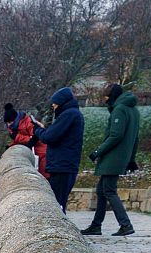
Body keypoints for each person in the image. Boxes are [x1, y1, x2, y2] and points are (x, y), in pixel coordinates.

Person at [80, 83, 141, 237]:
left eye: (106, 97)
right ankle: (96, 225)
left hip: (113, 157)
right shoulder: (133, 110)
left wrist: (97, 152)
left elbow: (115, 135)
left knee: (108, 190)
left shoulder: (120, 109)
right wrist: (131, 158)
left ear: (111, 96)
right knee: (102, 190)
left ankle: (125, 224)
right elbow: (135, 138)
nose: (105, 100)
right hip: (122, 156)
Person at [34, 87, 84, 209]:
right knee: (59, 203)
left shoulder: (69, 115)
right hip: (65, 165)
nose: (54, 107)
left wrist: (38, 130)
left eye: (55, 104)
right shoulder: (73, 114)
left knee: (57, 205)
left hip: (62, 166)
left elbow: (50, 137)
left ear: (62, 103)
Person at [4, 103, 49, 177]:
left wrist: (17, 137)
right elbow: (21, 141)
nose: (9, 125)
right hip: (33, 152)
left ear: (14, 119)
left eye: (9, 122)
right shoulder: (13, 128)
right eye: (7, 123)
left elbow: (34, 139)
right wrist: (11, 146)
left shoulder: (28, 122)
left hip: (41, 151)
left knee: (44, 174)